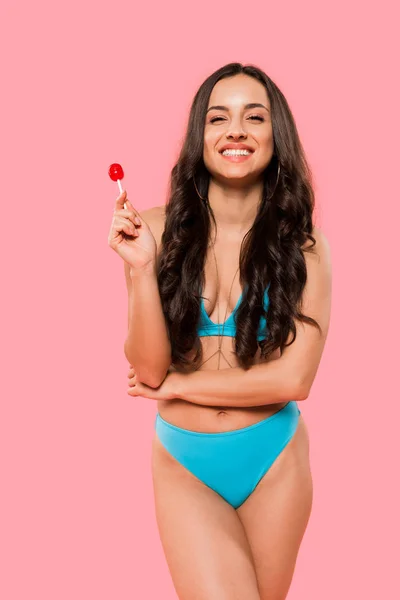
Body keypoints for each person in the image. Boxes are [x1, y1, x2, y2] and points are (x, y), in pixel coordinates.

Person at [108, 62, 332, 600]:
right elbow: (149, 369)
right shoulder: (154, 230)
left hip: (274, 459)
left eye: (254, 117)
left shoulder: (304, 246)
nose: (235, 130)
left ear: (275, 137)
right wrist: (141, 270)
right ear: (199, 136)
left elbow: (294, 380)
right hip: (186, 463)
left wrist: (182, 388)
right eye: (218, 117)